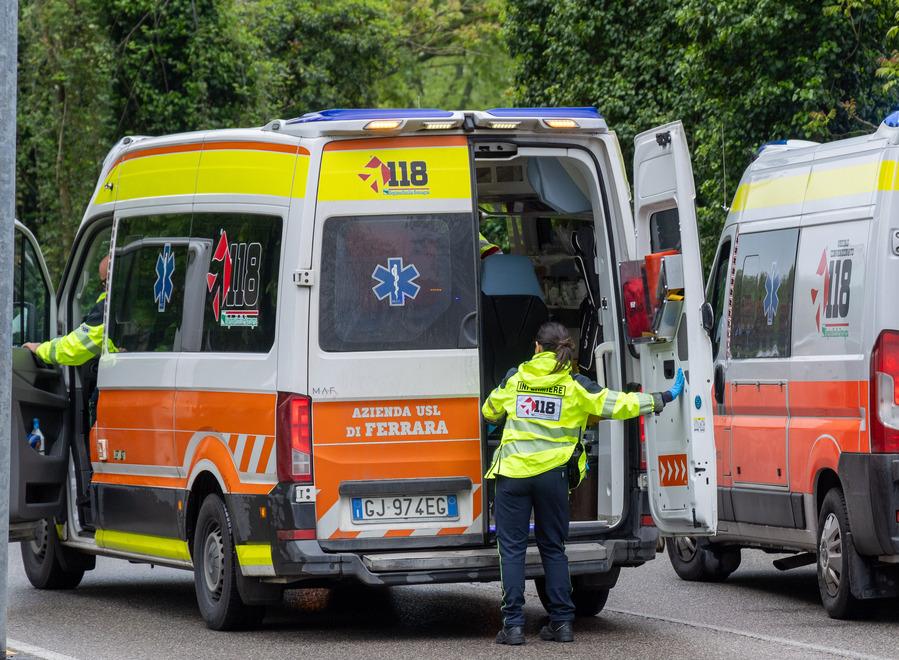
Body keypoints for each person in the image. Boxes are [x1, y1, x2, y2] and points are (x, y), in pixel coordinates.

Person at [482, 321, 684, 645]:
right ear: (565, 350)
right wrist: (660, 398)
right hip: (552, 478)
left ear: (536, 347)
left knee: (512, 550)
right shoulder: (576, 387)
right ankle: (562, 623)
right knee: (553, 549)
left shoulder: (516, 379)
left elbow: (489, 411)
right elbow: (618, 404)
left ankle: (513, 626)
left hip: (514, 477)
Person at [23, 255, 112, 367]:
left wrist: (39, 349)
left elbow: (73, 349)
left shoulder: (108, 309)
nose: (104, 287)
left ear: (111, 279)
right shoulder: (125, 305)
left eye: (104, 283)